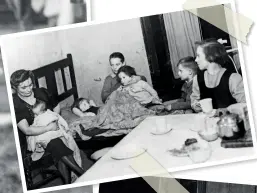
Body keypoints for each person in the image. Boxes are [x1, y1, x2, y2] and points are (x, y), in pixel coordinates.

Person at [11, 70, 85, 184]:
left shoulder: (41, 92)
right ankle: (81, 173)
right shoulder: (15, 104)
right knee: (55, 142)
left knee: (57, 144)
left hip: (53, 128)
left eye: (30, 85)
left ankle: (67, 182)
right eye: (23, 87)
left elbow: (56, 107)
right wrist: (48, 128)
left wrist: (54, 119)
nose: (29, 89)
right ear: (15, 87)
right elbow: (27, 130)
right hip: (32, 137)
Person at [191, 40, 246, 113]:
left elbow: (245, 105)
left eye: (198, 56)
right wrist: (196, 105)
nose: (196, 60)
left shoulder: (233, 78)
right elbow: (194, 101)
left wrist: (226, 110)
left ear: (210, 56)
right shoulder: (197, 79)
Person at [27, 100, 81, 168]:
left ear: (44, 111)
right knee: (41, 138)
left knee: (64, 141)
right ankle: (76, 169)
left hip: (55, 132)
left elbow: (61, 119)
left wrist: (66, 127)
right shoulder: (37, 118)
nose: (35, 116)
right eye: (34, 114)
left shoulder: (51, 114)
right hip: (48, 134)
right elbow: (34, 128)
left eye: (37, 114)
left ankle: (76, 168)